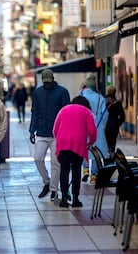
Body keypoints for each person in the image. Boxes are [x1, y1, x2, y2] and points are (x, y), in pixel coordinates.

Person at [29, 69, 70, 201]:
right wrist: (31, 130)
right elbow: (34, 111)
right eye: (45, 82)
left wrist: (66, 132)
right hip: (41, 131)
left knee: (56, 163)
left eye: (49, 82)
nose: (47, 84)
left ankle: (53, 190)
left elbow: (66, 113)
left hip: (57, 134)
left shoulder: (62, 92)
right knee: (37, 158)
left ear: (53, 79)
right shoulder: (38, 92)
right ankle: (47, 182)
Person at [53, 95, 97, 207]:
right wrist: (91, 142)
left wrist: (59, 138)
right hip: (78, 144)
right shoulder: (87, 112)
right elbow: (92, 130)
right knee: (76, 171)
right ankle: (76, 200)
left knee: (64, 170)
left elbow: (55, 129)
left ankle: (64, 199)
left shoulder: (64, 109)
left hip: (63, 143)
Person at [79, 74, 109, 184]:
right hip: (97, 127)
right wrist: (101, 125)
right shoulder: (100, 97)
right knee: (95, 150)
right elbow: (105, 114)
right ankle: (94, 176)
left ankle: (85, 169)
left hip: (83, 127)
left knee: (84, 149)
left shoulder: (81, 96)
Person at [104, 85, 126, 155]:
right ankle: (112, 156)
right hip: (114, 126)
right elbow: (122, 117)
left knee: (105, 144)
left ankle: (106, 157)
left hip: (105, 126)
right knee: (112, 144)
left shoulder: (103, 101)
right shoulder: (117, 103)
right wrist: (117, 123)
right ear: (114, 92)